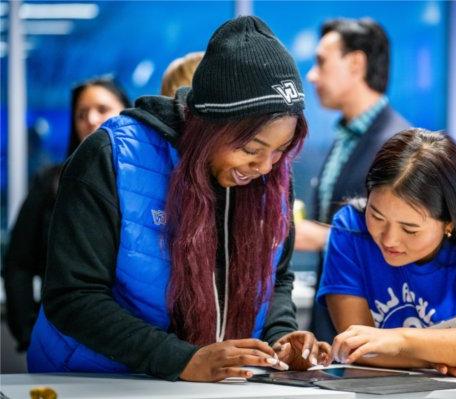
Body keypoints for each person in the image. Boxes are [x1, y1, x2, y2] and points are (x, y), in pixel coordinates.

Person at [27, 16, 330, 382]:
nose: (265, 166)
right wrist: (179, 359)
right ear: (210, 126)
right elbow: (73, 296)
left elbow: (276, 276)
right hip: (92, 380)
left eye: (281, 149)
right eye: (251, 147)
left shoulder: (269, 176)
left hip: (206, 385)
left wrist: (281, 336)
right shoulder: (113, 156)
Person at [318, 129, 456, 377]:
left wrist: (401, 341)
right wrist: (448, 354)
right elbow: (357, 348)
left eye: (410, 229)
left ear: (450, 222)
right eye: (376, 216)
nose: (389, 239)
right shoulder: (351, 231)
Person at [299, 17, 410, 342]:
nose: (312, 75)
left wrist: (318, 237)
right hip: (332, 317)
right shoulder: (346, 137)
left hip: (376, 321)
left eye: (321, 62)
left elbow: (409, 237)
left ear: (357, 64)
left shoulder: (400, 146)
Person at [2, 77, 130, 352]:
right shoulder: (52, 182)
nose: (91, 120)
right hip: (65, 339)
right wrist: (27, 331)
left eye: (103, 108)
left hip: (135, 340)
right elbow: (18, 264)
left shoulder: (149, 182)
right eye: (81, 114)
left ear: (127, 112)